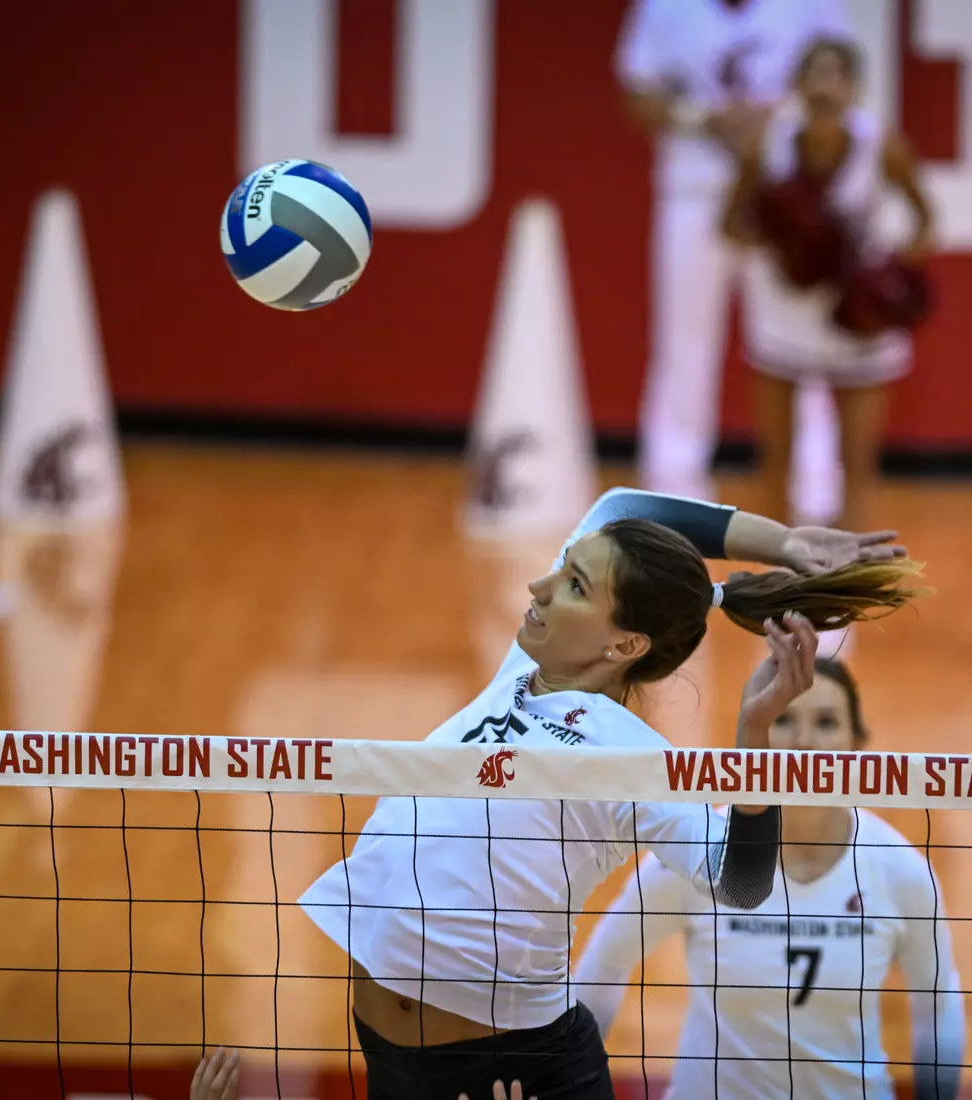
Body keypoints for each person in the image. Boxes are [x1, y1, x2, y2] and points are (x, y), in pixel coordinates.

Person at [299, 487, 925, 1099]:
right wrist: (782, 543)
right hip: (393, 1059)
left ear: (624, 644)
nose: (539, 587)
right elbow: (620, 508)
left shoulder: (634, 759)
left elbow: (741, 884)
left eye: (574, 585)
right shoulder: (521, 671)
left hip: (514, 1067)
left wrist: (753, 739)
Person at [570, 658, 964, 1099]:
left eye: (826, 723)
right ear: (756, 738)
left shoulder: (899, 870)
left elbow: (937, 1001)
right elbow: (606, 962)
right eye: (784, 719)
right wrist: (569, 1085)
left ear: (856, 745)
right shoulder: (700, 849)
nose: (804, 742)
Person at [615, 0, 850, 503]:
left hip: (784, 194)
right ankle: (673, 480)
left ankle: (814, 481)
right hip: (693, 189)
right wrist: (704, 117)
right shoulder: (664, 8)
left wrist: (779, 119)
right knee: (684, 337)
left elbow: (839, 75)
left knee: (799, 337)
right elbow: (637, 92)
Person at [728, 37, 935, 532]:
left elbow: (925, 223)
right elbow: (730, 223)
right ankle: (776, 569)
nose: (825, 88)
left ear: (855, 88)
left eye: (837, 76)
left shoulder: (881, 145)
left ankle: (850, 573)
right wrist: (784, 246)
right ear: (796, 85)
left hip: (853, 316)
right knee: (775, 463)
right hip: (784, 310)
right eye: (815, 75)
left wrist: (885, 271)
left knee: (857, 468)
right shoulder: (767, 145)